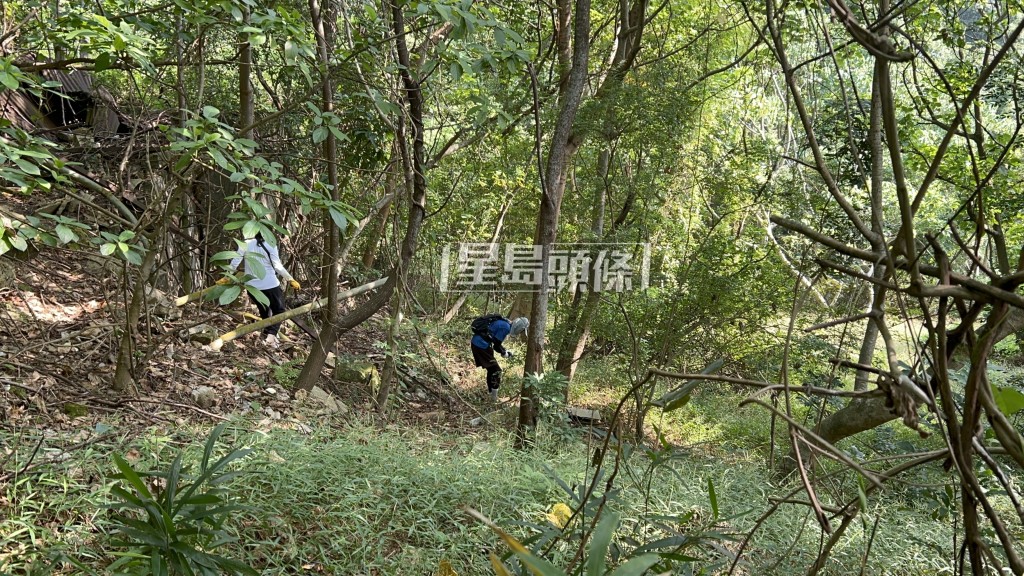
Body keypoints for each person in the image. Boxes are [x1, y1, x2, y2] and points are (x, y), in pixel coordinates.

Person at [217, 232, 300, 349]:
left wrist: (227, 276)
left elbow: (235, 262)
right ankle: (271, 337)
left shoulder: (245, 244)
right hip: (270, 285)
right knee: (280, 311)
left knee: (265, 312)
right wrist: (290, 279)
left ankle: (267, 337)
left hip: (252, 286)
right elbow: (277, 266)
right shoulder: (271, 245)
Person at [471, 315, 529, 401]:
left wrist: (504, 351)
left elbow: (495, 342)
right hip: (480, 345)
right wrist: (504, 353)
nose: (520, 332)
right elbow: (496, 346)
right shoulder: (505, 327)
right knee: (496, 371)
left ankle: (491, 394)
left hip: (482, 344)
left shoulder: (506, 324)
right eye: (521, 331)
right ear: (519, 328)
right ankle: (494, 399)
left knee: (492, 370)